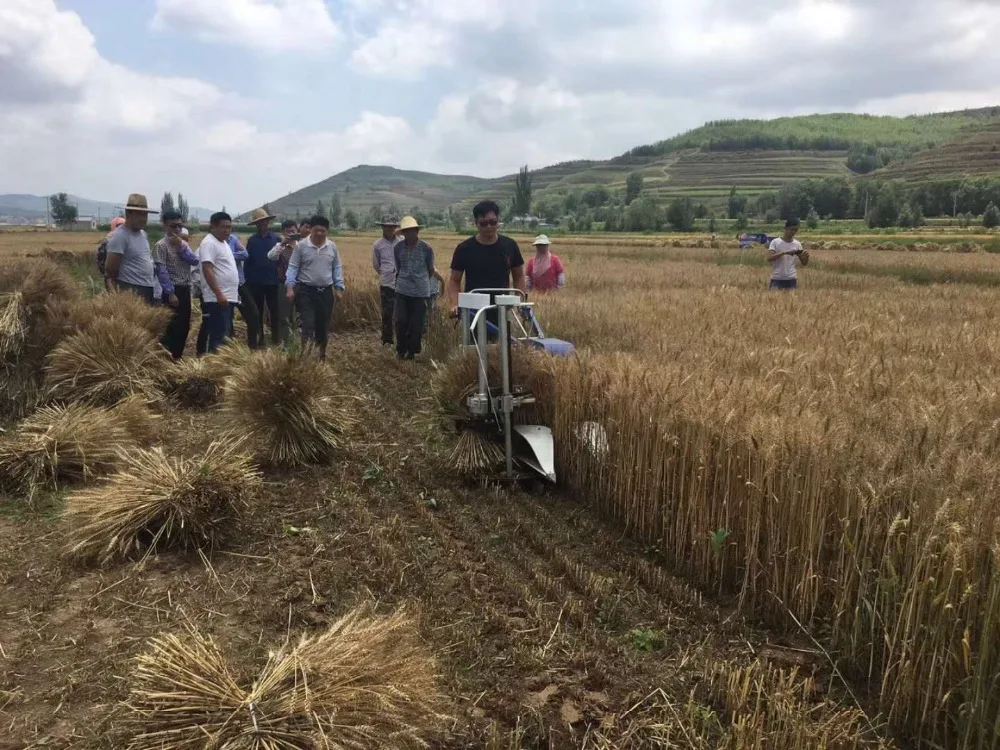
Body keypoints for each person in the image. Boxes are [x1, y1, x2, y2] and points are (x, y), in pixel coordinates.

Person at [448, 200, 526, 328]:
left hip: (502, 307)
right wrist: (454, 304)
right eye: (484, 223)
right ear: (476, 224)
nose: (489, 227)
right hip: (473, 310)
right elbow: (454, 280)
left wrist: (521, 302)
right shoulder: (464, 248)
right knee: (474, 347)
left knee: (504, 346)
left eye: (493, 222)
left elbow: (519, 276)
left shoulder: (510, 246)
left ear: (498, 220)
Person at [285, 215, 344, 360]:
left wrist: (339, 287)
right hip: (306, 291)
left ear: (327, 231)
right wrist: (290, 288)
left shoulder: (332, 247)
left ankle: (321, 355)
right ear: (310, 229)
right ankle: (305, 355)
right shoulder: (301, 246)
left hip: (325, 292)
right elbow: (293, 267)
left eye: (323, 231)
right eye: (316, 230)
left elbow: (337, 267)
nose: (319, 233)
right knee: (307, 323)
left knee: (323, 326)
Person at [153, 211, 200, 359]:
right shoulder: (160, 246)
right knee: (172, 325)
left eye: (180, 226)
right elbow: (162, 271)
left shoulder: (182, 244)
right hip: (172, 290)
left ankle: (178, 356)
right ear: (165, 226)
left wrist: (181, 247)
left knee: (184, 325)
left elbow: (194, 260)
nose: (177, 230)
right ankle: (168, 356)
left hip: (185, 287)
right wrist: (170, 292)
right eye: (173, 226)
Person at [392, 216, 435, 360]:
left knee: (417, 324)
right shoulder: (398, 248)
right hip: (402, 288)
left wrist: (421, 281)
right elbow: (398, 267)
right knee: (400, 321)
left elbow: (430, 269)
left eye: (412, 231)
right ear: (403, 233)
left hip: (420, 291)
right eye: (406, 231)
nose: (409, 234)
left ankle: (412, 351)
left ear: (417, 231)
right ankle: (400, 350)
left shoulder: (426, 248)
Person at [197, 212, 241, 354]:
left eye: (229, 227)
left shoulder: (223, 243)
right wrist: (219, 294)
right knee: (218, 337)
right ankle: (213, 368)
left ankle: (218, 367)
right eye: (224, 227)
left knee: (224, 336)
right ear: (213, 226)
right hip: (218, 299)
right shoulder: (209, 243)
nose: (227, 230)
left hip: (227, 297)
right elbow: (207, 270)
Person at [105, 193, 158, 302]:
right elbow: (111, 270)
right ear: (128, 213)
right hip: (130, 288)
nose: (144, 219)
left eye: (145, 215)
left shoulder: (143, 234)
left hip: (147, 287)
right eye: (140, 215)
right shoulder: (120, 236)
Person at [244, 207, 282, 348]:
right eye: (259, 223)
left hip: (272, 280)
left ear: (268, 222)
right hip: (255, 282)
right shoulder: (252, 241)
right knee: (257, 312)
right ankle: (260, 339)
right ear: (256, 225)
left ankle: (276, 338)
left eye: (264, 221)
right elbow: (248, 261)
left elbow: (281, 260)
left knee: (275, 311)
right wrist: (247, 280)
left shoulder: (277, 239)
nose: (262, 224)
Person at [267, 219, 301, 344]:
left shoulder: (301, 246)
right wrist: (282, 243)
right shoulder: (280, 246)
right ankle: (285, 342)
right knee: (284, 315)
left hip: (300, 284)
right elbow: (271, 256)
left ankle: (299, 341)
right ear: (283, 232)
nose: (291, 234)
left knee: (299, 315)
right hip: (283, 284)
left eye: (293, 231)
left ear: (297, 231)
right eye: (288, 231)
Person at [372, 216, 400, 346]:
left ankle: (401, 339)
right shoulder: (378, 245)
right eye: (387, 226)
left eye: (392, 226)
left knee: (401, 314)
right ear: (382, 227)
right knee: (387, 313)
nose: (390, 229)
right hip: (387, 283)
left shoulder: (401, 242)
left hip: (401, 283)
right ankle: (387, 340)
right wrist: (385, 273)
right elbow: (376, 265)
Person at [766, 218, 809, 291]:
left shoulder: (797, 244)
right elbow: (769, 258)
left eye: (795, 230)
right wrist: (785, 253)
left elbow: (804, 263)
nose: (793, 232)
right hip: (777, 278)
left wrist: (806, 257)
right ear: (785, 228)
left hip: (791, 279)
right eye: (791, 229)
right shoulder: (775, 242)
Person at [96, 217, 126, 291]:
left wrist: (106, 274)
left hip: (112, 278)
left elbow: (100, 261)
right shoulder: (127, 238)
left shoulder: (107, 240)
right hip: (124, 278)